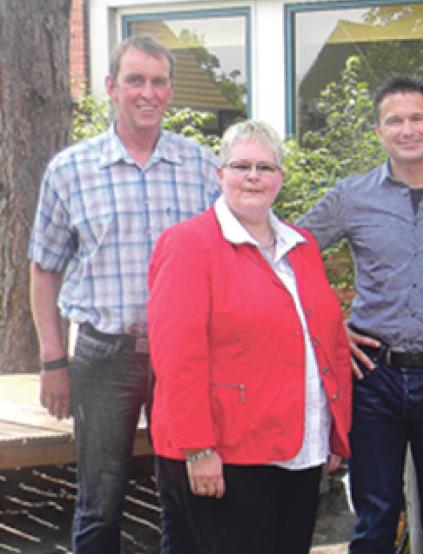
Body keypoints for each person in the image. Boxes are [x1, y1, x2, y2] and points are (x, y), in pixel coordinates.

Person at [27, 34, 220, 553]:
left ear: (171, 91)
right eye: (135, 79)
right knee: (101, 497)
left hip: (182, 357)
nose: (147, 92)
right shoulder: (71, 170)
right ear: (112, 87)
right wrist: (52, 362)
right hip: (103, 355)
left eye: (158, 82)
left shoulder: (202, 168)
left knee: (183, 491)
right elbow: (43, 271)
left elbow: (227, 262)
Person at [147, 119, 352, 554]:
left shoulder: (303, 246)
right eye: (241, 166)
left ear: (281, 178)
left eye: (266, 167)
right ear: (220, 175)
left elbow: (327, 340)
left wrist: (333, 431)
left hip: (297, 450)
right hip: (225, 454)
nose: (254, 177)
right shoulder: (189, 245)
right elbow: (176, 357)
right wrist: (198, 449)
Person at [298, 75, 423, 553]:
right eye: (394, 120)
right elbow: (285, 255)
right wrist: (330, 328)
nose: (407, 129)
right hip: (372, 380)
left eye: (417, 117)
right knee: (374, 521)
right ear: (379, 131)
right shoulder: (351, 196)